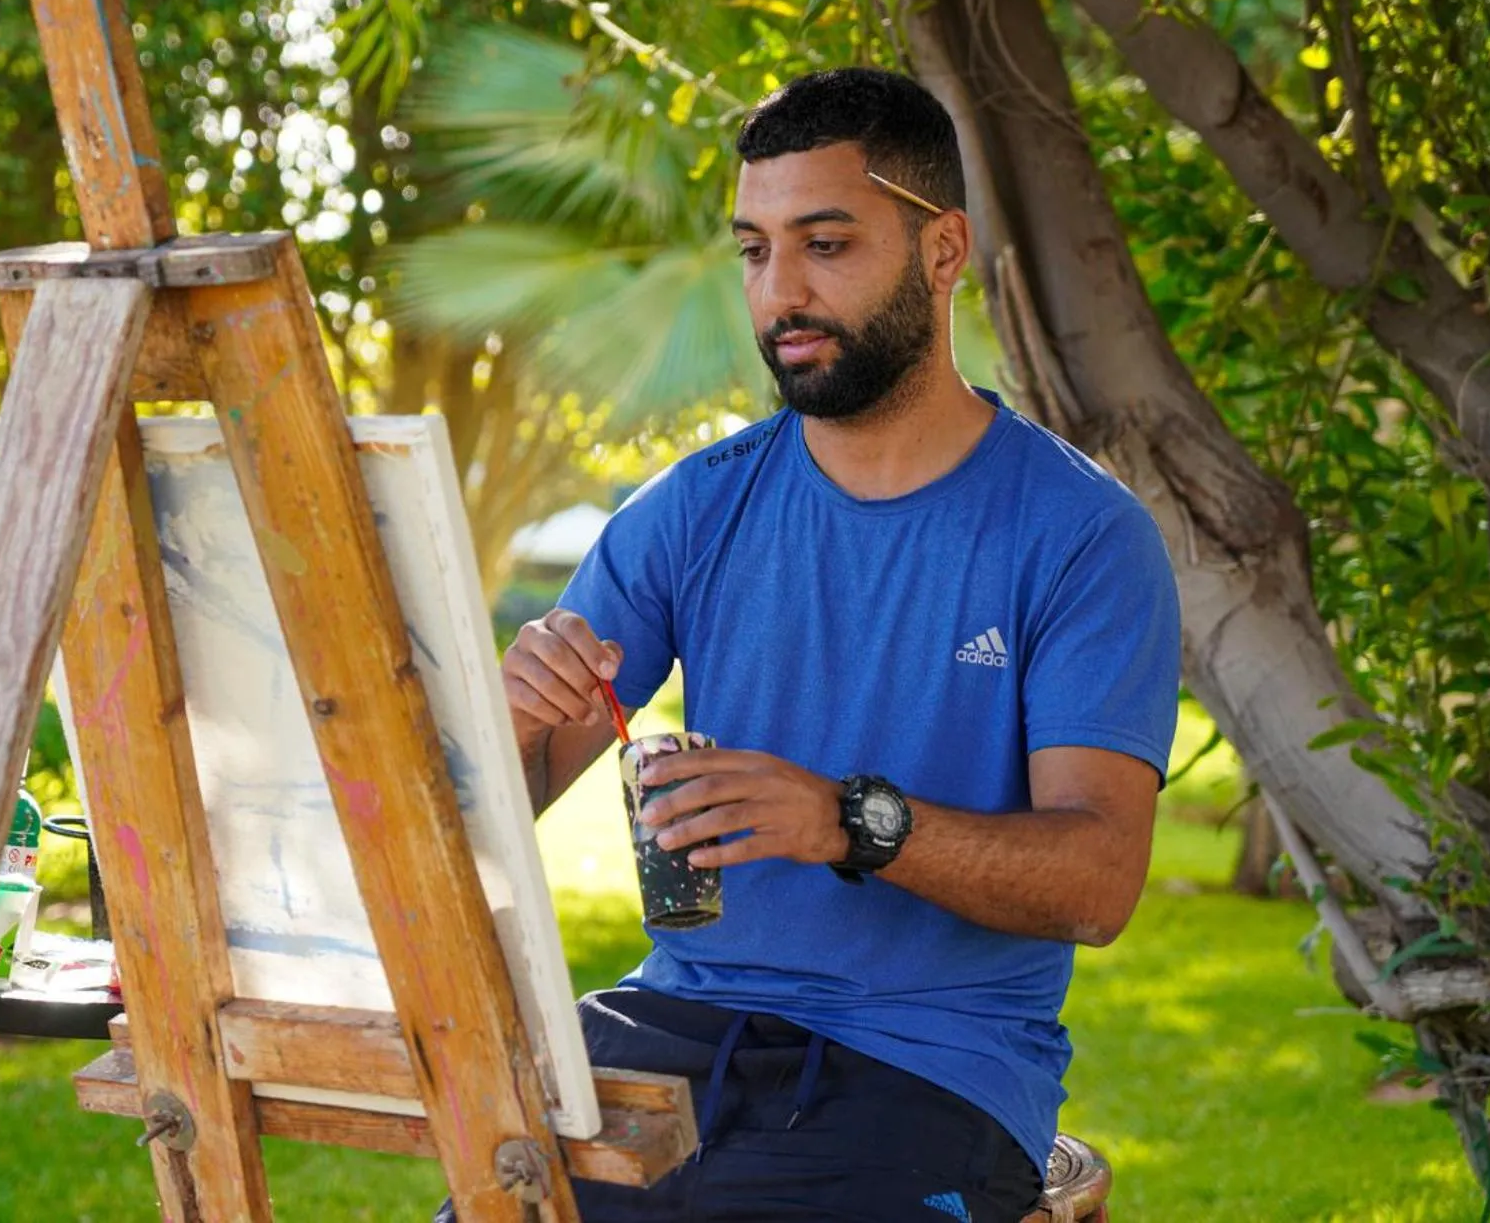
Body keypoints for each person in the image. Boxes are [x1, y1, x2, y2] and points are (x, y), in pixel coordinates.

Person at [496, 68, 1180, 1222]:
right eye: (753, 251)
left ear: (941, 250)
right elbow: (485, 812)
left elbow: (1097, 882)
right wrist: (513, 719)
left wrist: (845, 821)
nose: (780, 293)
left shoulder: (1078, 535)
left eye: (824, 244)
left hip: (927, 1065)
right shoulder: (690, 510)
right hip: (677, 1022)